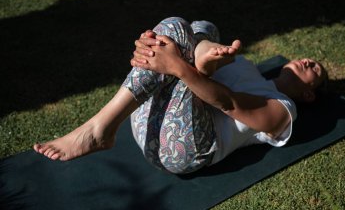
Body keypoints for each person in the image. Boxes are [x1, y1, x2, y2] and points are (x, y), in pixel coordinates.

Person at [33, 17, 327, 174]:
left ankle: (100, 127)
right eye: (308, 58)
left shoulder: (285, 110)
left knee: (175, 27)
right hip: (149, 121)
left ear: (308, 94)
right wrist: (189, 61)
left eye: (316, 70)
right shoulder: (244, 63)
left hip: (182, 150)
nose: (309, 61)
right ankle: (197, 61)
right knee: (202, 27)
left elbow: (228, 103)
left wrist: (176, 66)